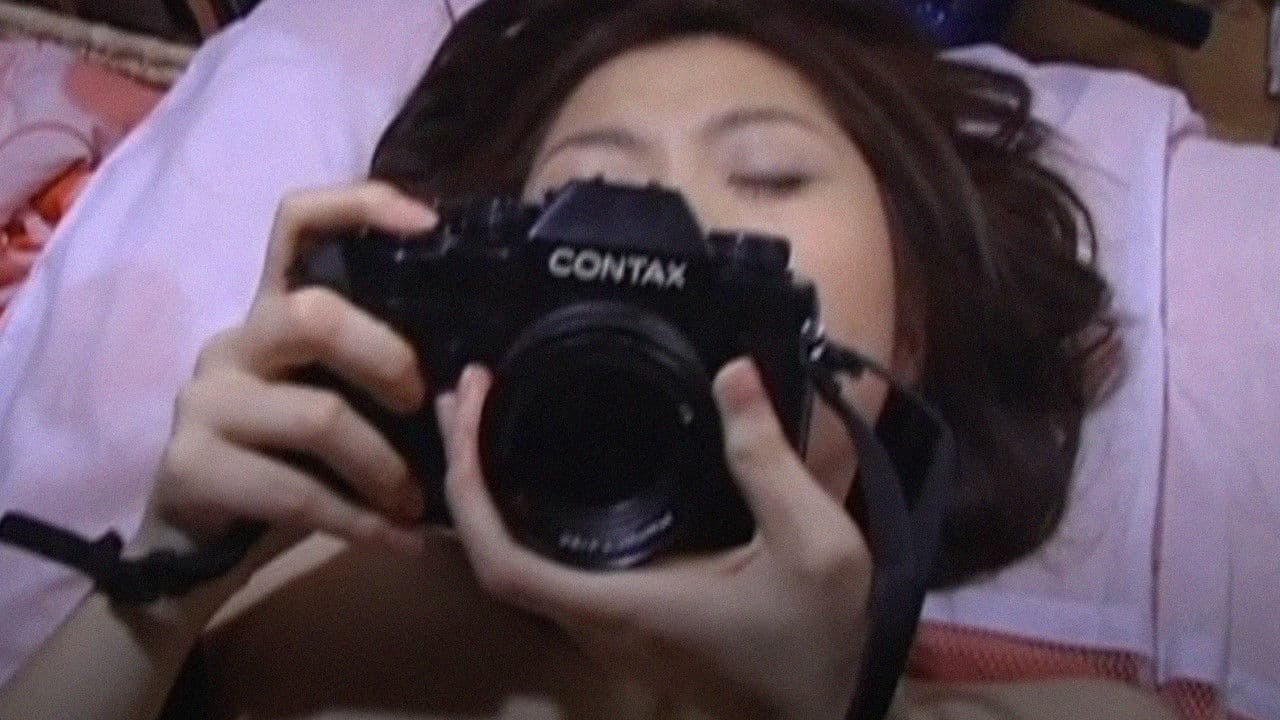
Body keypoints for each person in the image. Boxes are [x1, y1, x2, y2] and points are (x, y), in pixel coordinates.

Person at [0, 1, 1178, 718]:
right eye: (586, 195)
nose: (664, 220)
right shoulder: (311, 592)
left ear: (904, 336)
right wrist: (163, 579)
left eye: (767, 175)